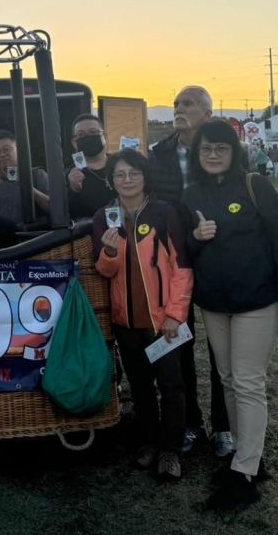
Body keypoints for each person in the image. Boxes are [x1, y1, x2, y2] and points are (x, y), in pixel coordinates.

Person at [182, 119, 278, 513]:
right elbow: (183, 251)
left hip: (256, 300)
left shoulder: (254, 185)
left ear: (234, 152)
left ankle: (244, 474)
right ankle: (247, 457)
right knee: (229, 380)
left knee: (248, 382)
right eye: (206, 149)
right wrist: (195, 238)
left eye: (221, 148)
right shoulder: (191, 194)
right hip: (214, 303)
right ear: (197, 154)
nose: (213, 155)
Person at [92, 148, 192, 481]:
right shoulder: (104, 217)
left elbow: (181, 267)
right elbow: (104, 271)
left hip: (162, 322)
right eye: (120, 174)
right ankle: (148, 442)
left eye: (133, 173)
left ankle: (171, 450)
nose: (127, 180)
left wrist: (175, 314)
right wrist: (109, 251)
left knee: (171, 386)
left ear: (145, 177)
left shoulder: (164, 213)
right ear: (112, 180)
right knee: (140, 387)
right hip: (127, 322)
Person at [148, 86, 232, 458]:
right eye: (176, 104)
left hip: (215, 256)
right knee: (179, 341)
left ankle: (224, 426)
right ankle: (189, 422)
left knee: (221, 348)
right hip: (174, 259)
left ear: (207, 114)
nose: (179, 109)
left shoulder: (220, 152)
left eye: (188, 104)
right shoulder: (159, 154)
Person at [0, 129, 50, 226]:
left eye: (6, 149)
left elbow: (55, 209)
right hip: (4, 234)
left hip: (35, 233)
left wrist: (28, 188)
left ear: (18, 150)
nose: (2, 155)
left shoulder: (37, 175)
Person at [67, 114, 112, 220]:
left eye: (93, 132)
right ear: (74, 142)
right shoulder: (68, 175)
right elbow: (63, 212)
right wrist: (73, 190)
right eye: (81, 134)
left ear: (104, 136)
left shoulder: (120, 166)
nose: (87, 137)